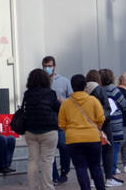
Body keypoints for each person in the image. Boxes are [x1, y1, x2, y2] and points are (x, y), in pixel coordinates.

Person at [58, 74, 106, 190]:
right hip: (92, 138)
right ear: (85, 86)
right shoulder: (93, 100)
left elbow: (61, 124)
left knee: (80, 167)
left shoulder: (66, 103)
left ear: (72, 86)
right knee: (95, 167)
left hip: (73, 139)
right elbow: (101, 118)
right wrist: (97, 128)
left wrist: (71, 131)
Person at [22, 68, 61, 190]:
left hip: (30, 131)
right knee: (47, 161)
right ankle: (48, 187)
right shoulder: (50, 93)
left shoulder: (27, 94)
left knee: (32, 161)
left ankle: (33, 187)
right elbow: (58, 109)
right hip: (48, 131)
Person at [85, 70, 119, 187]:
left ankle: (93, 179)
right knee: (108, 150)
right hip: (103, 125)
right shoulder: (100, 90)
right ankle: (109, 178)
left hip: (88, 125)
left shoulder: (84, 91)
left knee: (93, 153)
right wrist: (102, 122)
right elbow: (107, 108)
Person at [41, 55, 72, 184]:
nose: (48, 68)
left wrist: (63, 102)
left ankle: (64, 171)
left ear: (54, 66)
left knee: (64, 146)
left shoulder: (64, 81)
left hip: (61, 120)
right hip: (47, 121)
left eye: (50, 66)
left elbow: (72, 99)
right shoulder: (40, 82)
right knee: (50, 151)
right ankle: (53, 176)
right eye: (46, 66)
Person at [100, 69, 126, 180]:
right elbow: (125, 105)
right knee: (114, 148)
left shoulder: (98, 90)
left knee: (105, 147)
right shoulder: (114, 90)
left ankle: (106, 170)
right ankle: (111, 171)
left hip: (103, 123)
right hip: (115, 123)